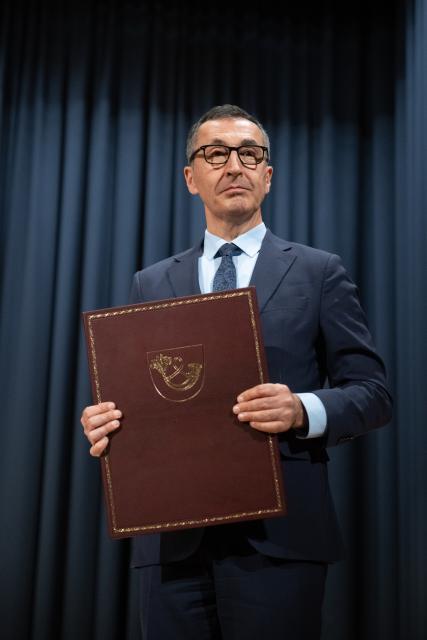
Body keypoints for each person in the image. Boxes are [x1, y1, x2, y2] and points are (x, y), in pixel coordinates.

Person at [81, 104, 392, 639]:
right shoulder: (150, 283)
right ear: (191, 178)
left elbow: (372, 393)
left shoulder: (318, 271)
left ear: (267, 176)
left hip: (280, 540)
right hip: (173, 544)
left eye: (250, 154)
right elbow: (143, 396)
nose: (234, 165)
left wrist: (302, 408)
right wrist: (109, 423)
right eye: (216, 153)